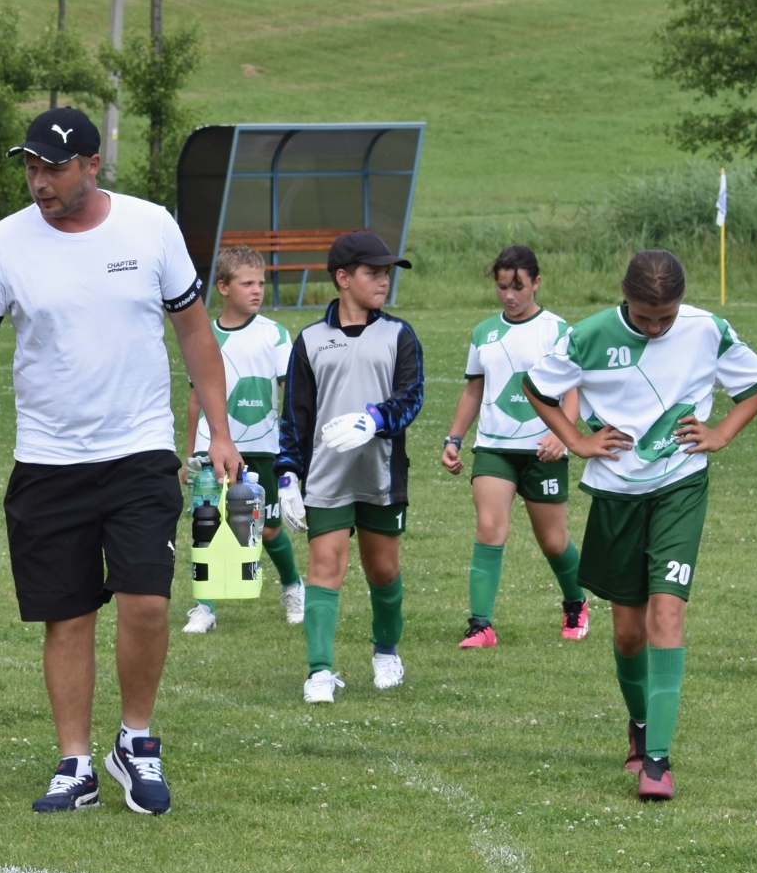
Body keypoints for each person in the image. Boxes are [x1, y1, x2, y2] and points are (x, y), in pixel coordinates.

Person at [0, 106, 241, 817]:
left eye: (53, 168)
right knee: (68, 616)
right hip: (47, 459)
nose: (39, 181)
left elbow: (195, 334)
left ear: (91, 166)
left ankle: (135, 741)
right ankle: (75, 763)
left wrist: (220, 432)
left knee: (147, 600)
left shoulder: (150, 227)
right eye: (31, 167)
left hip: (140, 450)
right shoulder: (4, 243)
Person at [524, 249, 757, 801]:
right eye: (645, 317)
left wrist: (722, 433)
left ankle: (657, 761)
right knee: (628, 632)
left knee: (667, 612)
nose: (657, 327)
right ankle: (639, 724)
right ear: (625, 297)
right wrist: (577, 441)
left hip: (680, 486)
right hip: (616, 493)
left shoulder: (707, 329)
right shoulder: (588, 336)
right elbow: (537, 389)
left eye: (667, 317)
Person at [274, 231, 424, 705]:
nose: (383, 281)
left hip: (381, 475)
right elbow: (295, 415)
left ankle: (386, 652)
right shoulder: (311, 340)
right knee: (325, 567)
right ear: (342, 278)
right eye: (372, 273)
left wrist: (374, 419)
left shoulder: (399, 335)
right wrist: (287, 475)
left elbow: (411, 397)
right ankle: (319, 671)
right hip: (327, 476)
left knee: (383, 570)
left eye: (386, 274)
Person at [438, 245, 590, 647]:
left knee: (553, 542)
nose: (509, 295)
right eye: (502, 286)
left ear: (537, 283)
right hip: (495, 448)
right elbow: (474, 390)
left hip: (543, 451)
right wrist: (454, 439)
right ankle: (481, 625)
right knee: (489, 529)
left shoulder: (558, 331)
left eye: (518, 287)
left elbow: (573, 389)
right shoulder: (483, 333)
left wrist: (562, 434)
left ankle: (576, 601)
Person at [182, 245, 306, 634]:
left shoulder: (275, 335)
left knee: (266, 530)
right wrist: (188, 453)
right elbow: (195, 399)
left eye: (261, 283)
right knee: (207, 525)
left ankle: (293, 587)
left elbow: (291, 395)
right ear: (223, 287)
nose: (257, 291)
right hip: (211, 447)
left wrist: (293, 452)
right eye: (247, 283)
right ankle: (205, 606)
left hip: (262, 447)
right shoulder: (203, 335)